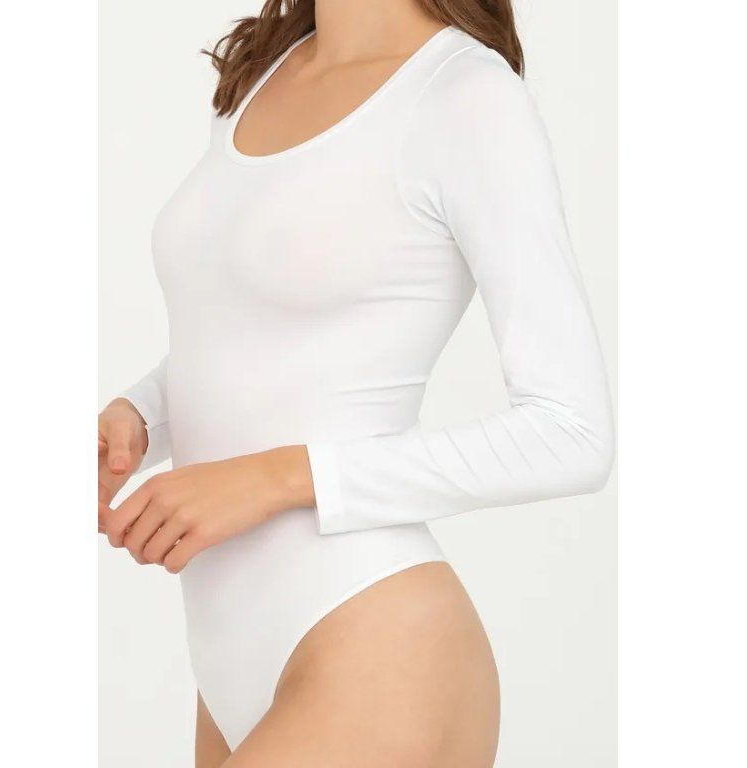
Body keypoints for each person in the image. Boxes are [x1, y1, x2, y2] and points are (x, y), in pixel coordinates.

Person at [98, 0, 614, 765]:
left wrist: (277, 477)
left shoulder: (465, 96)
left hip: (374, 643)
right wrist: (141, 416)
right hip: (229, 657)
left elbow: (572, 432)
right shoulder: (263, 72)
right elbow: (265, 339)